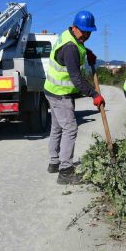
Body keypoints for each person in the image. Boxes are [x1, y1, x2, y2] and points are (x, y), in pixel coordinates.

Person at [44, 11, 105, 185]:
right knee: (70, 129)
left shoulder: (68, 35)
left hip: (51, 90)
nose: (86, 35)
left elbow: (78, 45)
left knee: (57, 128)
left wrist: (88, 52)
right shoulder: (70, 47)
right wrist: (94, 94)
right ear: (75, 27)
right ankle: (65, 171)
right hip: (59, 94)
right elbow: (76, 78)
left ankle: (54, 162)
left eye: (89, 32)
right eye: (84, 31)